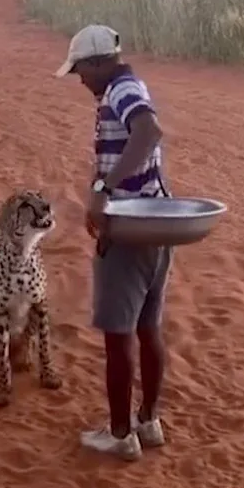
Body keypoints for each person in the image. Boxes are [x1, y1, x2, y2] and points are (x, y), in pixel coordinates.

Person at [53, 24, 172, 461]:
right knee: (148, 327)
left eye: (80, 69)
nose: (79, 79)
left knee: (119, 335)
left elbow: (148, 132)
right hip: (157, 224)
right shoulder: (129, 87)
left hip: (129, 227)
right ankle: (149, 420)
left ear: (99, 61)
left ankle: (121, 433)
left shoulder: (122, 91)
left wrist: (104, 187)